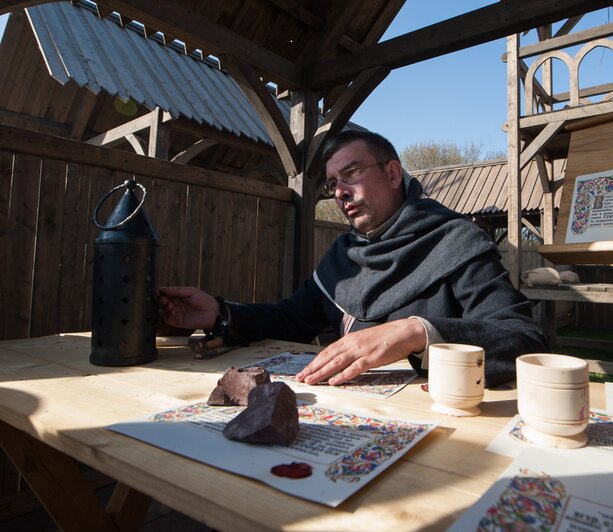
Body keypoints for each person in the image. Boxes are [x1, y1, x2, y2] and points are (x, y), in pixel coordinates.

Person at [159, 130, 549, 386]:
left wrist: (418, 333)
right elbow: (291, 319)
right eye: (333, 184)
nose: (340, 192)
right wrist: (220, 314)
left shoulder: (457, 241)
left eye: (352, 173)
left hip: (439, 428)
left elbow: (524, 340)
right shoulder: (343, 256)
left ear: (393, 174)